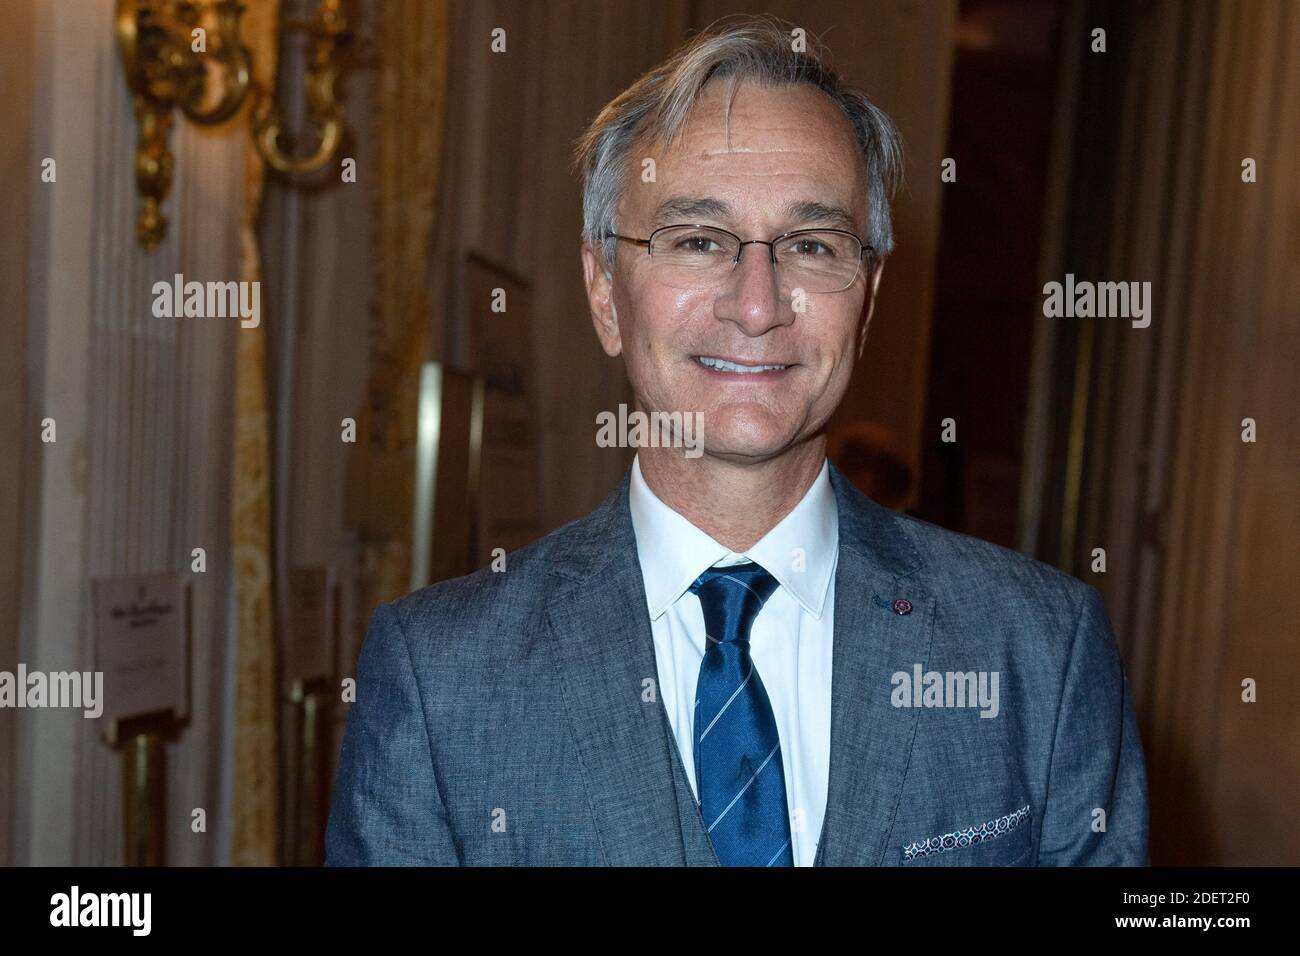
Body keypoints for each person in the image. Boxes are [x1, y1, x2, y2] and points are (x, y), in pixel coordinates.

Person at [326, 15, 1148, 866]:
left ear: (864, 299)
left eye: (812, 244)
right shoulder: (440, 678)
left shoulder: (1041, 652)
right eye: (696, 240)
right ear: (605, 292)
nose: (757, 304)